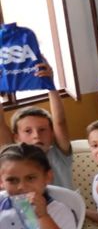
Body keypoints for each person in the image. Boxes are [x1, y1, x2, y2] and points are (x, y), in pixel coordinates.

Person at [0, 60, 74, 189]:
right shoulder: (13, 158)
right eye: (28, 131)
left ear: (52, 133)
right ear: (16, 137)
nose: (36, 136)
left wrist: (50, 84)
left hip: (64, 202)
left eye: (42, 130)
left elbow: (60, 122)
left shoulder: (59, 154)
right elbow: (1, 125)